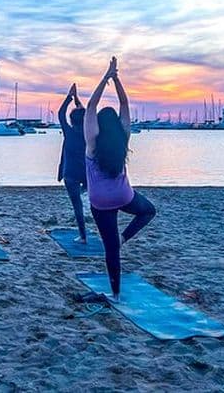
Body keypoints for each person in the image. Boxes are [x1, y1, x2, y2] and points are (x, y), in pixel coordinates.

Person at [84, 57, 156, 302]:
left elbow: (90, 107)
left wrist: (105, 77)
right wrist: (116, 79)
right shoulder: (123, 137)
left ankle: (115, 293)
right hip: (124, 196)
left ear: (99, 124)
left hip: (100, 201)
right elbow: (124, 103)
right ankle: (124, 237)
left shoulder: (92, 142)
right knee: (148, 211)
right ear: (116, 124)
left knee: (110, 248)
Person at [57, 83, 88, 243]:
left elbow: (61, 113)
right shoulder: (90, 133)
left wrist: (70, 97)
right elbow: (84, 114)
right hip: (87, 173)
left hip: (71, 174)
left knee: (77, 206)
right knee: (86, 200)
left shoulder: (69, 132)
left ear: (72, 120)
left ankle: (83, 237)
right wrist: (76, 99)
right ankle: (84, 190)